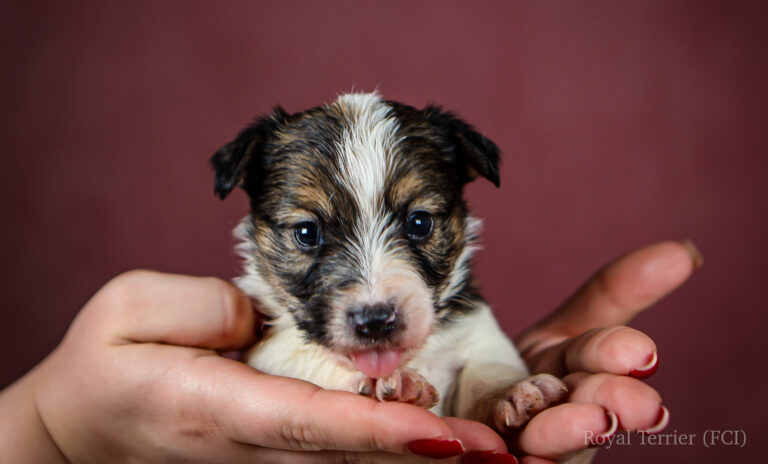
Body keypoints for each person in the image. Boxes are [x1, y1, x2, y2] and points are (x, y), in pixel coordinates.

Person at [0, 241, 701, 463]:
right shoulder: (240, 344)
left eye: (419, 223)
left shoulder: (463, 316)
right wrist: (51, 433)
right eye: (308, 236)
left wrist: (499, 396)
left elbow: (484, 360)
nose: (372, 296)